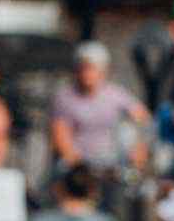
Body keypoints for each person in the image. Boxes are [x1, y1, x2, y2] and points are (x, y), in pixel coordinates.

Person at [50, 41, 150, 171]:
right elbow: (61, 136)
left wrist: (139, 147)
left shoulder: (116, 95)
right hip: (79, 163)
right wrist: (79, 166)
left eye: (92, 68)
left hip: (112, 162)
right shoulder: (65, 98)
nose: (87, 73)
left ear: (103, 70)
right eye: (83, 67)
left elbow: (143, 119)